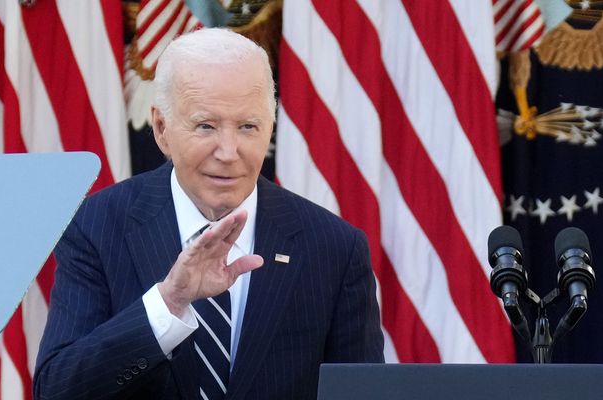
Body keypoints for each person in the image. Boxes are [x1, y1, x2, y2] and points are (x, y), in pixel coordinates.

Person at [33, 28, 384, 399]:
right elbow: (58, 389)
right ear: (161, 128)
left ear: (271, 127)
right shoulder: (98, 226)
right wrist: (168, 304)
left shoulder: (333, 248)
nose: (229, 152)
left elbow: (362, 393)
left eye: (248, 127)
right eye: (206, 126)